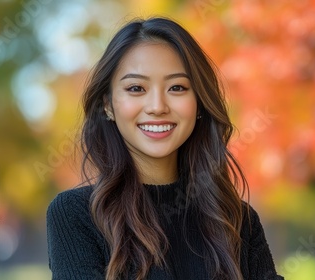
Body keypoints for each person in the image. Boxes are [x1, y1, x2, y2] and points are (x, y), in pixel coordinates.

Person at [46, 17, 283, 280]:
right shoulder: (76, 215)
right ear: (108, 105)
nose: (157, 106)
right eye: (136, 88)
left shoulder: (238, 221)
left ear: (200, 103)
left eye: (177, 87)